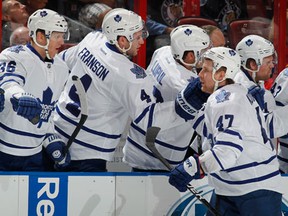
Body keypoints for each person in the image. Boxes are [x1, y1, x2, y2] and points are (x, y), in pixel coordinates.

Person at [168, 47, 283, 216]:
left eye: (206, 70)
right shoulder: (236, 92)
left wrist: (192, 167)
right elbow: (212, 132)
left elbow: (227, 152)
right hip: (233, 187)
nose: (200, 75)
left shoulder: (225, 100)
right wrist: (191, 109)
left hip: (254, 191)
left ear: (221, 75)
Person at [53, 8, 154, 172]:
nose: (142, 42)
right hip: (88, 152)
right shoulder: (130, 76)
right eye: (137, 37)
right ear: (122, 40)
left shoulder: (91, 40)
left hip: (57, 131)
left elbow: (60, 62)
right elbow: (149, 120)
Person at [123, 24, 211, 171]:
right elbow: (206, 123)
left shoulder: (162, 52)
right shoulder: (184, 85)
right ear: (190, 56)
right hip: (160, 153)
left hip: (138, 139)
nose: (208, 55)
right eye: (204, 51)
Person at [0, 8, 71, 171]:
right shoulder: (14, 55)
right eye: (57, 36)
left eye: (62, 36)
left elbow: (49, 110)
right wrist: (20, 95)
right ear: (40, 36)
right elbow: (7, 83)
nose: (62, 42)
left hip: (35, 155)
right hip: (4, 152)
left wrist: (51, 138)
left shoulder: (61, 67)